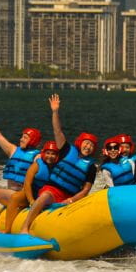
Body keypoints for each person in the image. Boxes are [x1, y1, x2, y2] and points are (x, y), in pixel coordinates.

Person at [18, 97, 99, 234]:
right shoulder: (67, 150)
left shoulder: (91, 167)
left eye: (91, 145)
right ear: (80, 142)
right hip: (52, 190)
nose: (88, 146)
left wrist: (71, 200)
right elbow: (57, 131)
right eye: (86, 143)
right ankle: (25, 227)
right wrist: (55, 112)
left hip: (70, 196)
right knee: (44, 197)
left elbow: (85, 190)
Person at [0, 103, 42, 229]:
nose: (21, 139)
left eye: (25, 137)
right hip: (11, 195)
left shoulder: (37, 157)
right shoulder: (13, 150)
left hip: (23, 196)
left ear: (33, 140)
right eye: (22, 136)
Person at [0, 140, 60, 232]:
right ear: (44, 153)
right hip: (32, 193)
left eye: (53, 154)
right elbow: (27, 183)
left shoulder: (58, 167)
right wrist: (31, 200)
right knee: (15, 197)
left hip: (47, 195)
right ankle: (7, 229)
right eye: (48, 153)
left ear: (57, 156)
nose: (50, 156)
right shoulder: (37, 165)